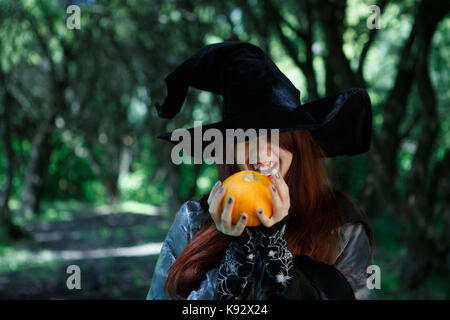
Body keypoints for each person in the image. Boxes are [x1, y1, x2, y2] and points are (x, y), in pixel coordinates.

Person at [147, 41, 376, 300]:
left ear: (297, 143)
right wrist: (238, 255)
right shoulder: (193, 221)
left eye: (276, 134)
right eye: (245, 137)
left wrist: (275, 252)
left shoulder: (341, 226)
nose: (260, 154)